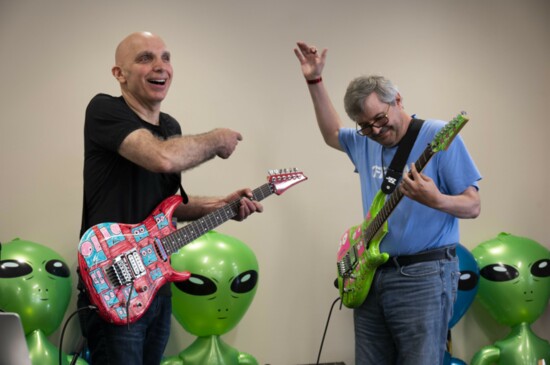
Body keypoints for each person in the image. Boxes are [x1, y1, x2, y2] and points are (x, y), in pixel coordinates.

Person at [77, 31, 263, 365]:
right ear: (119, 74)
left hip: (156, 285)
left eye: (166, 57)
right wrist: (216, 138)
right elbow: (161, 158)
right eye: (145, 58)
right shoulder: (104, 109)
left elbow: (168, 207)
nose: (160, 66)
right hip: (113, 282)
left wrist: (224, 205)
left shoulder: (170, 125)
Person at [294, 41, 481, 365]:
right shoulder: (365, 141)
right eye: (366, 126)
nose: (376, 130)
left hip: (423, 275)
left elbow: (472, 206)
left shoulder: (437, 136)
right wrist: (315, 81)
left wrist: (435, 199)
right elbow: (331, 134)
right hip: (371, 274)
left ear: (397, 100)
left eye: (380, 118)